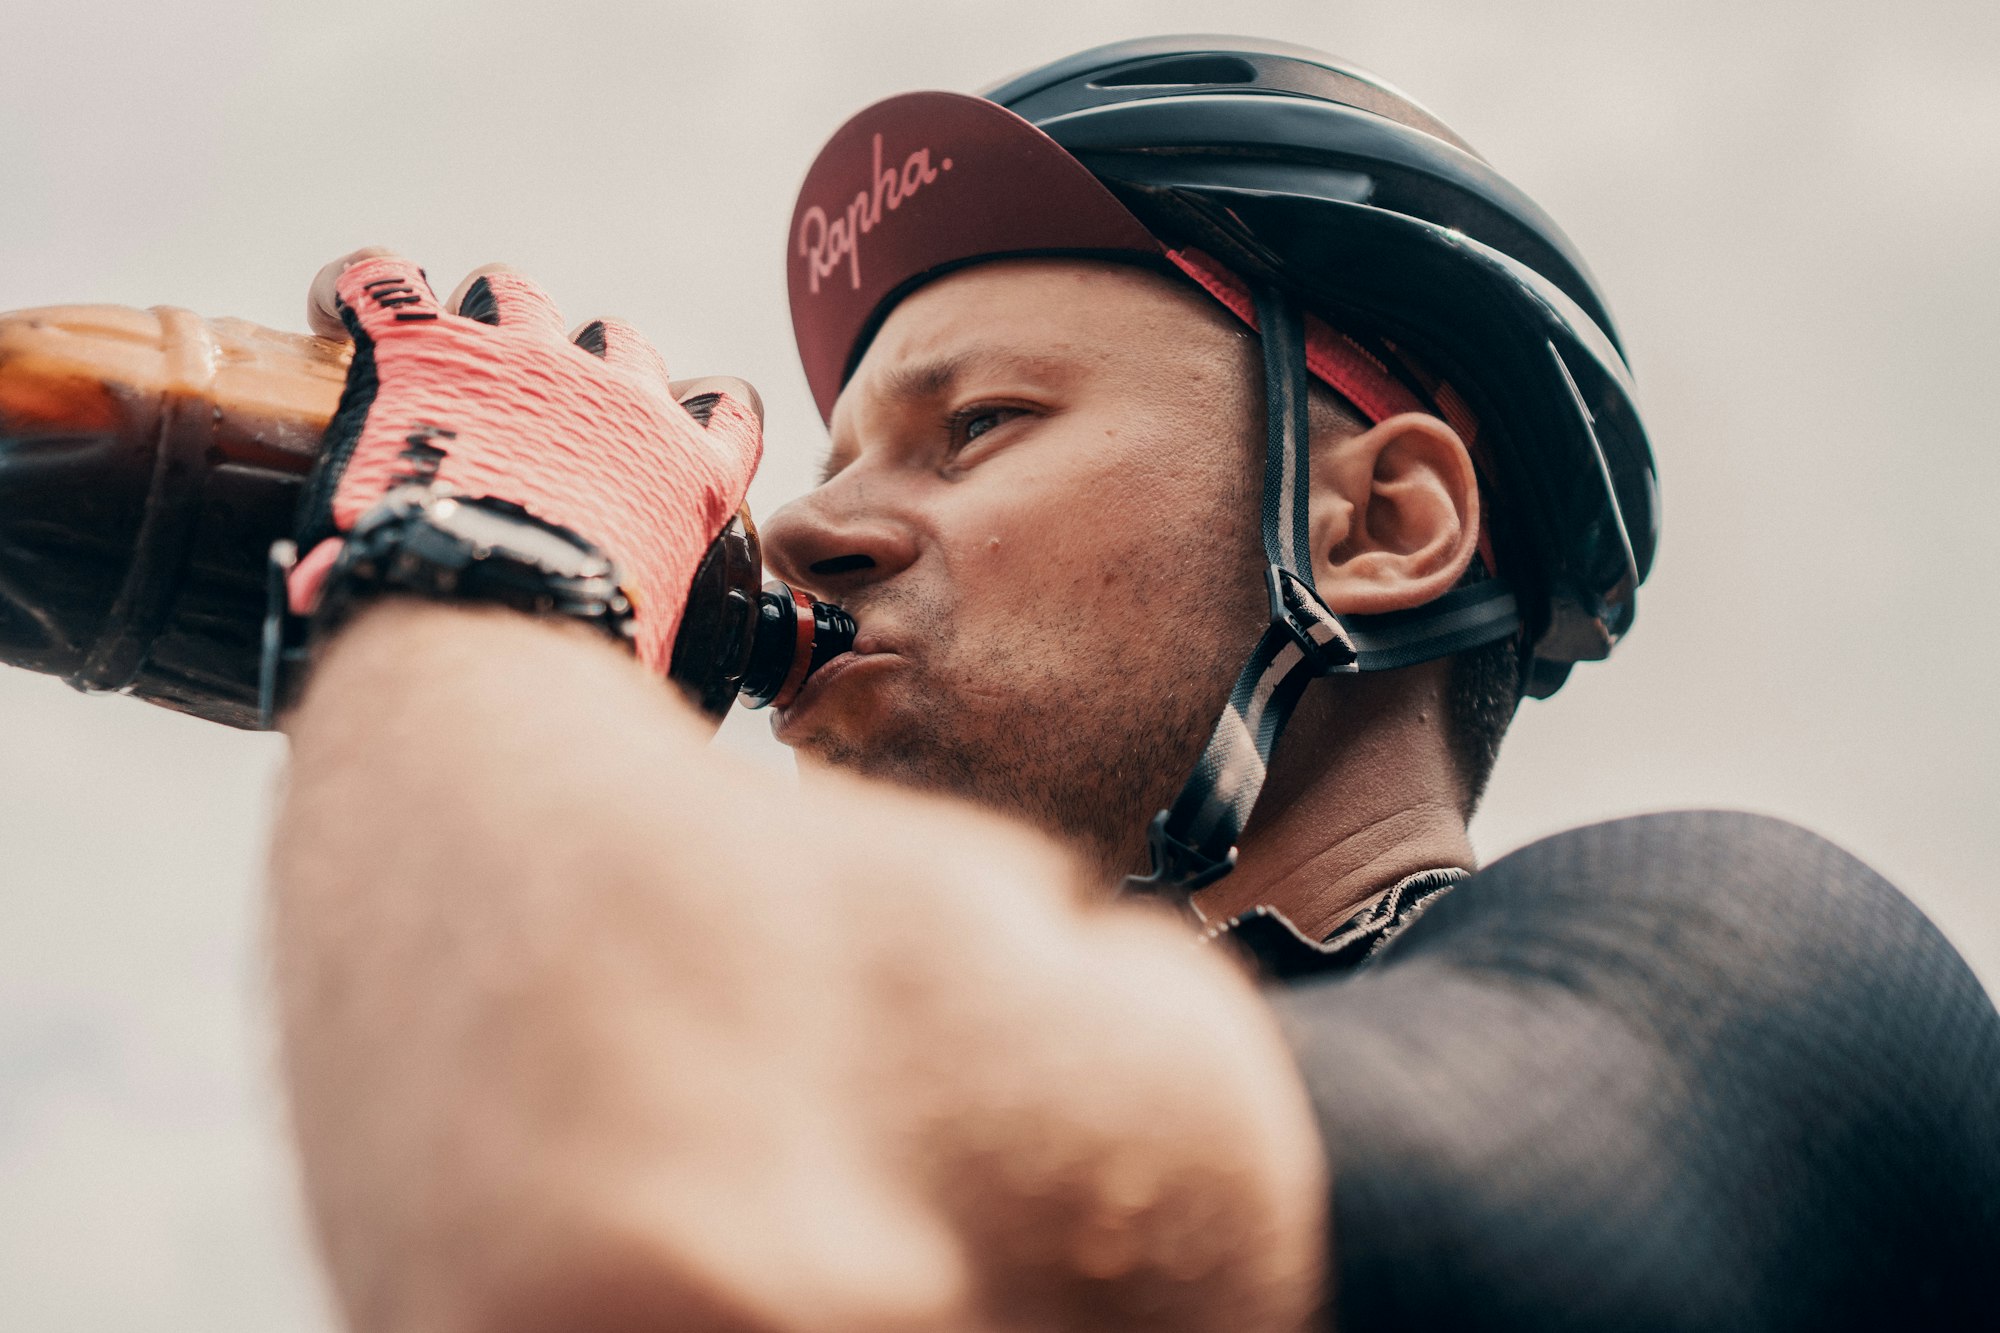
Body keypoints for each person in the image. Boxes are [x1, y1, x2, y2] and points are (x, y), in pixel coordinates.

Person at [269, 37, 2000, 1333]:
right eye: (834, 457)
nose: (795, 524)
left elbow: (651, 1224)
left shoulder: (1766, 979)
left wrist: (485, 571)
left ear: (1386, 522)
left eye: (981, 426)